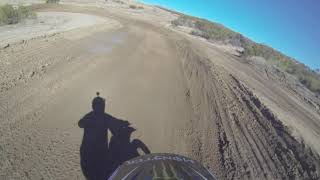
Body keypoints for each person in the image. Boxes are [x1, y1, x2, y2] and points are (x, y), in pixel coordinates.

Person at [78, 92, 130, 180]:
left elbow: (80, 123)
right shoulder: (103, 117)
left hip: (87, 157)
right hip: (97, 156)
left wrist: (123, 122)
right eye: (101, 105)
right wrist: (123, 123)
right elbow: (115, 122)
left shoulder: (92, 116)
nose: (101, 107)